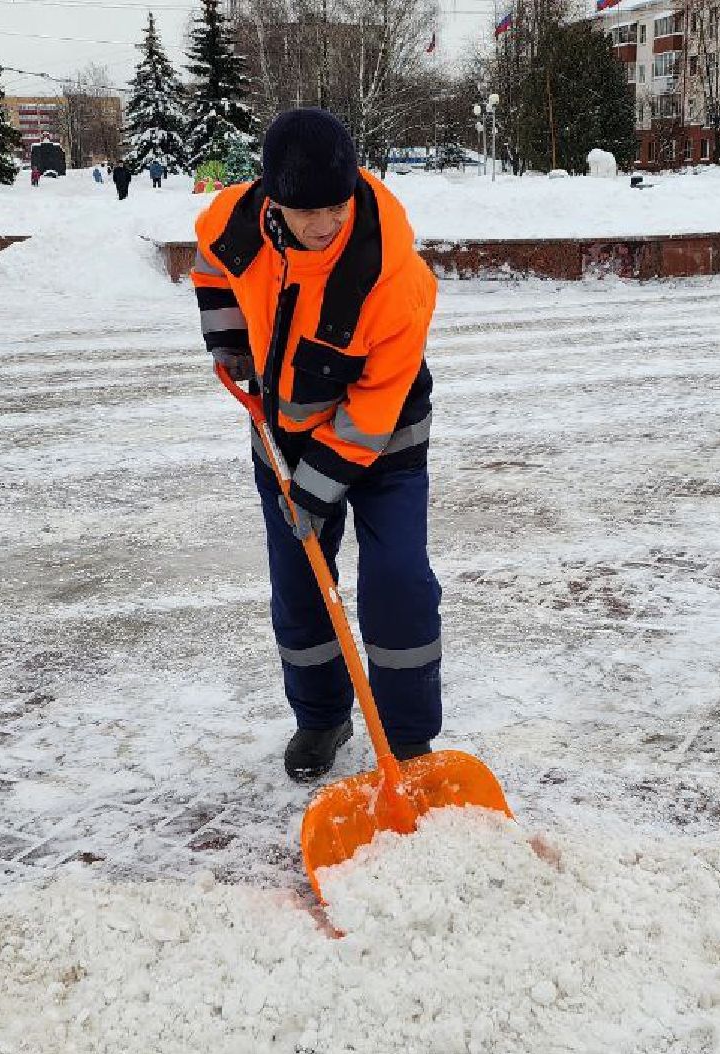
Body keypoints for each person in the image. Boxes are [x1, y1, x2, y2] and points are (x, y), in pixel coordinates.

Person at [190, 108, 441, 782]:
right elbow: (209, 263)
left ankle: (407, 740)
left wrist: (315, 490)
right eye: (306, 211)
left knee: (398, 584)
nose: (323, 223)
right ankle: (321, 717)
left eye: (335, 205)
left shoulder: (391, 275)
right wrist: (227, 339)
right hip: (280, 433)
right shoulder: (236, 221)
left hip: (383, 440)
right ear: (272, 198)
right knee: (300, 588)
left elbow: (373, 406)